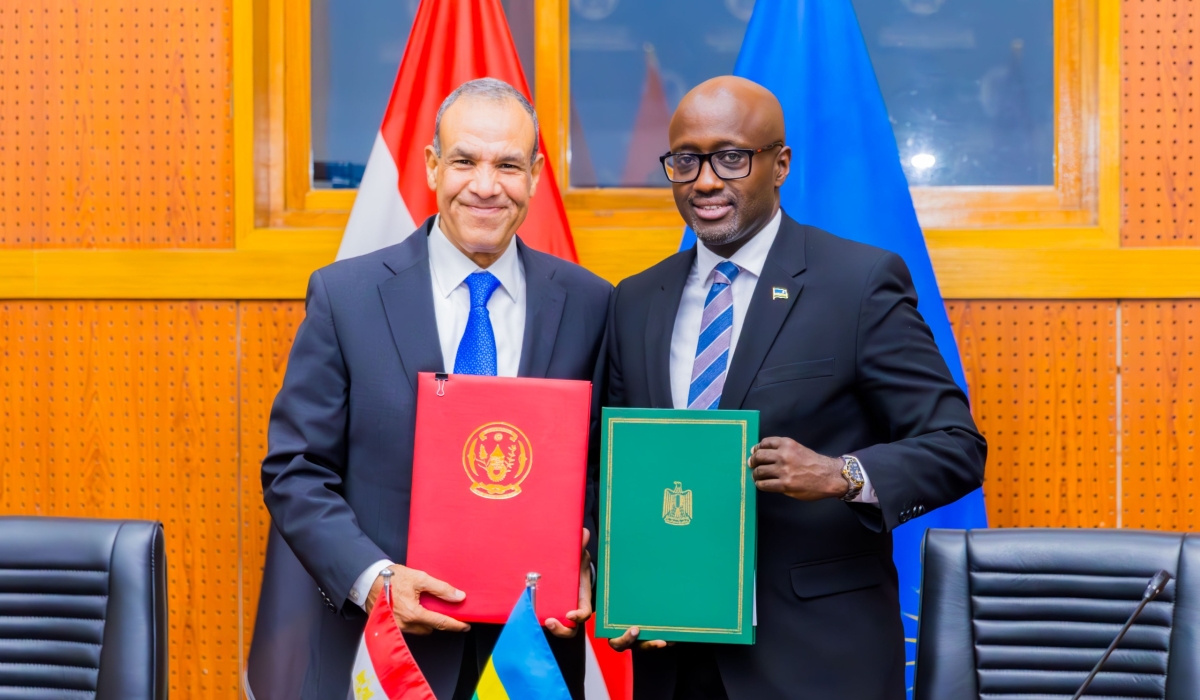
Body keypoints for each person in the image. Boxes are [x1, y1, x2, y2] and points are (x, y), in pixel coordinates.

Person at [604, 76, 987, 699]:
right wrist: (622, 576)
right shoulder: (636, 300)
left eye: (731, 158)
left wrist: (844, 475)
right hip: (673, 660)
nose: (704, 181)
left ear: (779, 164)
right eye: (684, 160)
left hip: (819, 660)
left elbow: (956, 446)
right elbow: (621, 467)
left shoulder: (858, 283)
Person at [261, 78, 611, 700]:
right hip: (387, 653)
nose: (485, 185)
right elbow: (295, 470)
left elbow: (599, 470)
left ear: (534, 176)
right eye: (464, 161)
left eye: (507, 165)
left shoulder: (589, 303)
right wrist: (375, 580)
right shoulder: (347, 298)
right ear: (430, 166)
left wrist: (588, 560)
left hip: (533, 657)